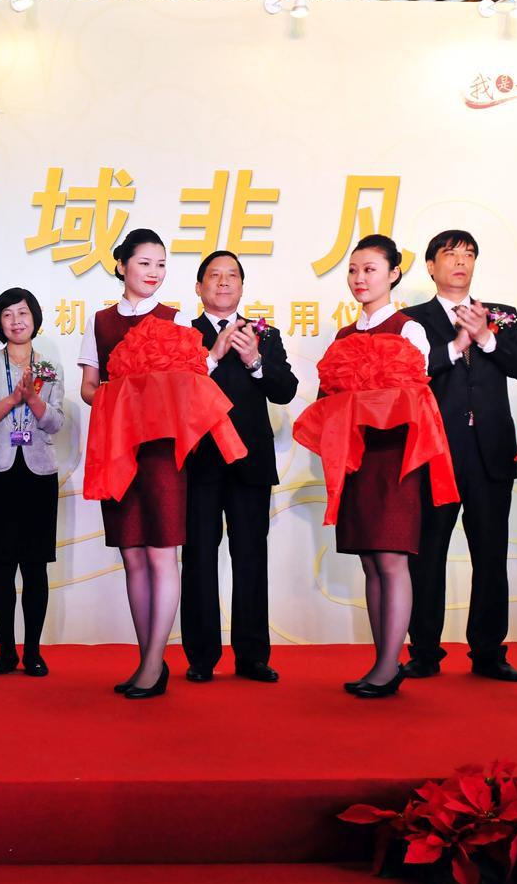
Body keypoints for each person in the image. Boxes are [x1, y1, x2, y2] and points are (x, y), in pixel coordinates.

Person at [402, 230, 517, 683]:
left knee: (490, 554)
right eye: (450, 254)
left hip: (491, 452)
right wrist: (454, 347)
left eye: (469, 254)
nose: (461, 262)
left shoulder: (501, 315)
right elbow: (409, 373)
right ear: (430, 266)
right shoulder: (412, 320)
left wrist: (486, 337)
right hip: (436, 452)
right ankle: (424, 651)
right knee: (427, 555)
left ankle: (488, 651)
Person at [180, 250, 298, 684]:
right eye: (214, 275)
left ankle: (252, 656)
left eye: (232, 275)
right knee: (198, 557)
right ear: (199, 287)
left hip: (250, 461)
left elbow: (285, 390)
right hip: (200, 461)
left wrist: (255, 363)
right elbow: (177, 392)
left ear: (243, 287)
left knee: (250, 556)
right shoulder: (182, 335)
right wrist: (212, 356)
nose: (224, 282)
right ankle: (201, 657)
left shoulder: (264, 334)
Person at [327, 234, 434, 698]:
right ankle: (381, 661)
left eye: (369, 269)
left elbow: (415, 398)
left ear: (393, 274)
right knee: (370, 561)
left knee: (391, 559)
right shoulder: (343, 336)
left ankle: (390, 665)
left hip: (395, 457)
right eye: (353, 270)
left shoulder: (409, 330)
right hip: (357, 458)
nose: (359, 278)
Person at [79, 228, 182, 700]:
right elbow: (88, 388)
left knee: (161, 554)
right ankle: (148, 661)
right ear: (122, 266)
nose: (154, 272)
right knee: (132, 556)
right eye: (144, 263)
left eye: (160, 264)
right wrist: (117, 394)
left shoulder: (176, 319)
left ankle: (153, 662)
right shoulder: (100, 322)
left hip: (161, 451)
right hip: (118, 448)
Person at [0, 288, 64, 677]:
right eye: (7, 315)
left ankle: (34, 653)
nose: (16, 321)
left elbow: (56, 422)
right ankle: (6, 652)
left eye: (23, 313)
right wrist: (13, 399)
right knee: (1, 565)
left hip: (38, 474)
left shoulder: (49, 367)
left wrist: (34, 400)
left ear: (35, 319)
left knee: (36, 567)